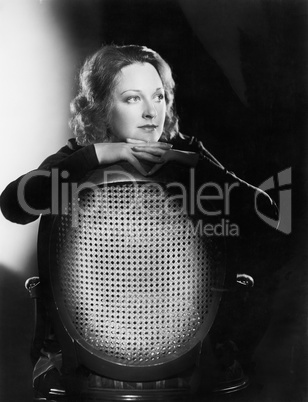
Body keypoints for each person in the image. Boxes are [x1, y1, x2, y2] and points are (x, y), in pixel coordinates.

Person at [0, 44, 279, 396]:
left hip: (183, 340)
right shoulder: (77, 159)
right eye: (132, 99)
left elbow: (266, 214)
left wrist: (190, 162)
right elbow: (14, 205)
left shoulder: (185, 154)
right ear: (102, 107)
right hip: (90, 342)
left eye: (159, 96)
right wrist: (97, 155)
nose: (151, 112)